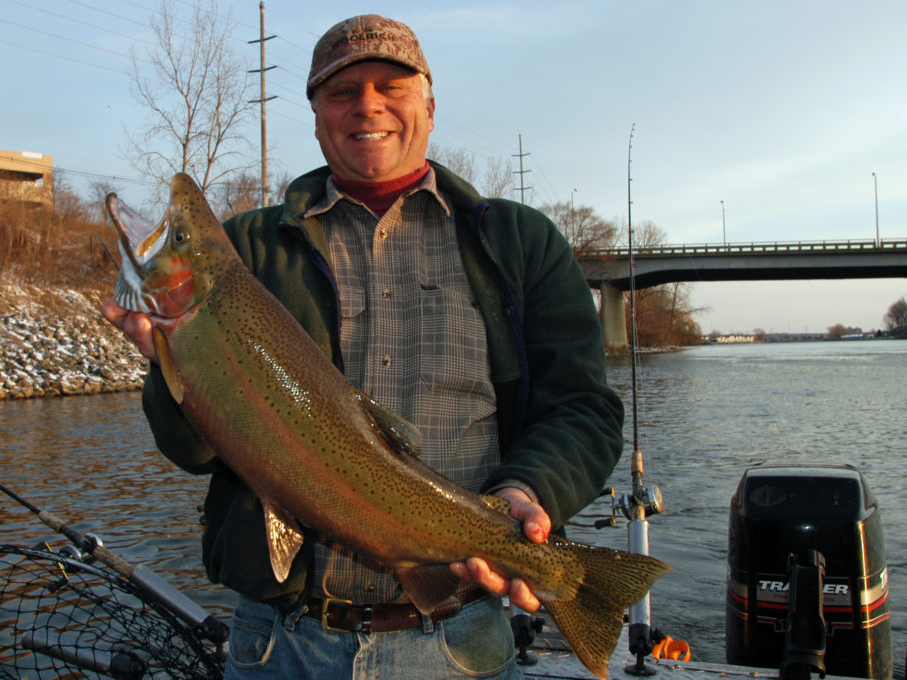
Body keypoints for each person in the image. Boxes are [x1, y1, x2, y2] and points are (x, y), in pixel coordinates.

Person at [103, 14, 623, 680]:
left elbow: (582, 407)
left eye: (390, 87)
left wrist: (529, 489)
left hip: (459, 641)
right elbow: (192, 451)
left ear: (429, 108)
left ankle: (580, 586)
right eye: (343, 92)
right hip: (276, 644)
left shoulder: (519, 243)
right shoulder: (250, 251)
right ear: (317, 116)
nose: (367, 105)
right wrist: (169, 363)